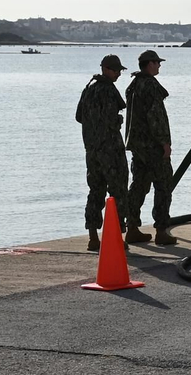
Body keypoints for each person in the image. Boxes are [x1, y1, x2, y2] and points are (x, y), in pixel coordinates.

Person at [75, 54, 129, 252]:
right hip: (110, 149)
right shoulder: (107, 89)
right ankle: (115, 237)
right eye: (116, 70)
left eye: (119, 71)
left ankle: (92, 236)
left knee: (95, 190)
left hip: (92, 149)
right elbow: (110, 120)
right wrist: (117, 121)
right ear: (106, 69)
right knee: (118, 192)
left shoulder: (88, 88)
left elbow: (79, 116)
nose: (118, 74)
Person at [126, 49, 177, 246]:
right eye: (157, 62)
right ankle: (161, 230)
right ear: (149, 64)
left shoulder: (134, 85)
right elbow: (156, 117)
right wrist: (164, 142)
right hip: (152, 145)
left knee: (138, 185)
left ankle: (132, 227)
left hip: (138, 146)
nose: (159, 65)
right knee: (163, 185)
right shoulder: (150, 86)